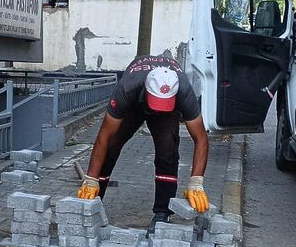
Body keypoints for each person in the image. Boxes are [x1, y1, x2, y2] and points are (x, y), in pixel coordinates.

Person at [76, 55, 211, 231]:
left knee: (168, 151)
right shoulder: (127, 88)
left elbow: (201, 139)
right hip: (134, 105)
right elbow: (104, 137)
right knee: (112, 146)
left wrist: (196, 181)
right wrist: (91, 179)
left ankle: (162, 213)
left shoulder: (183, 90)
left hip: (169, 109)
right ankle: (92, 203)